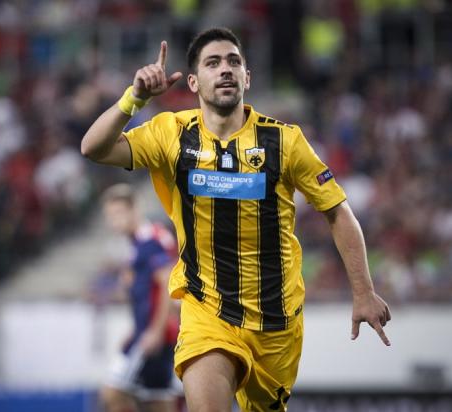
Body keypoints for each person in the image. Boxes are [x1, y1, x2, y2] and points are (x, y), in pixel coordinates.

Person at [82, 27, 391, 412]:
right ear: (193, 82)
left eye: (233, 62)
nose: (225, 69)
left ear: (247, 77)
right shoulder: (171, 133)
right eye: (213, 63)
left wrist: (363, 291)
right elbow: (93, 147)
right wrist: (135, 98)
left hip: (276, 322)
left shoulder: (285, 141)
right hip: (206, 310)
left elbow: (337, 211)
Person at [99, 183, 180, 412]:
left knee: (113, 392)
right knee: (156, 402)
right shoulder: (136, 244)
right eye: (110, 216)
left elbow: (166, 285)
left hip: (156, 335)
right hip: (145, 332)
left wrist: (155, 330)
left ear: (134, 209)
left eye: (118, 214)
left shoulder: (152, 239)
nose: (114, 221)